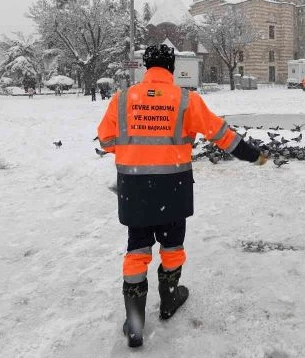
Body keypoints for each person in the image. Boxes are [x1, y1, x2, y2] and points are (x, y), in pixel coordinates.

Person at [97, 44, 267, 348]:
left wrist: (136, 146)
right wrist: (253, 155)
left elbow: (107, 140)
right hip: (173, 186)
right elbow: (221, 135)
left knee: (137, 249)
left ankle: (135, 324)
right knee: (172, 245)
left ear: (145, 67)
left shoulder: (122, 99)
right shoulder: (187, 100)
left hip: (134, 187)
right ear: (172, 68)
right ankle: (169, 299)